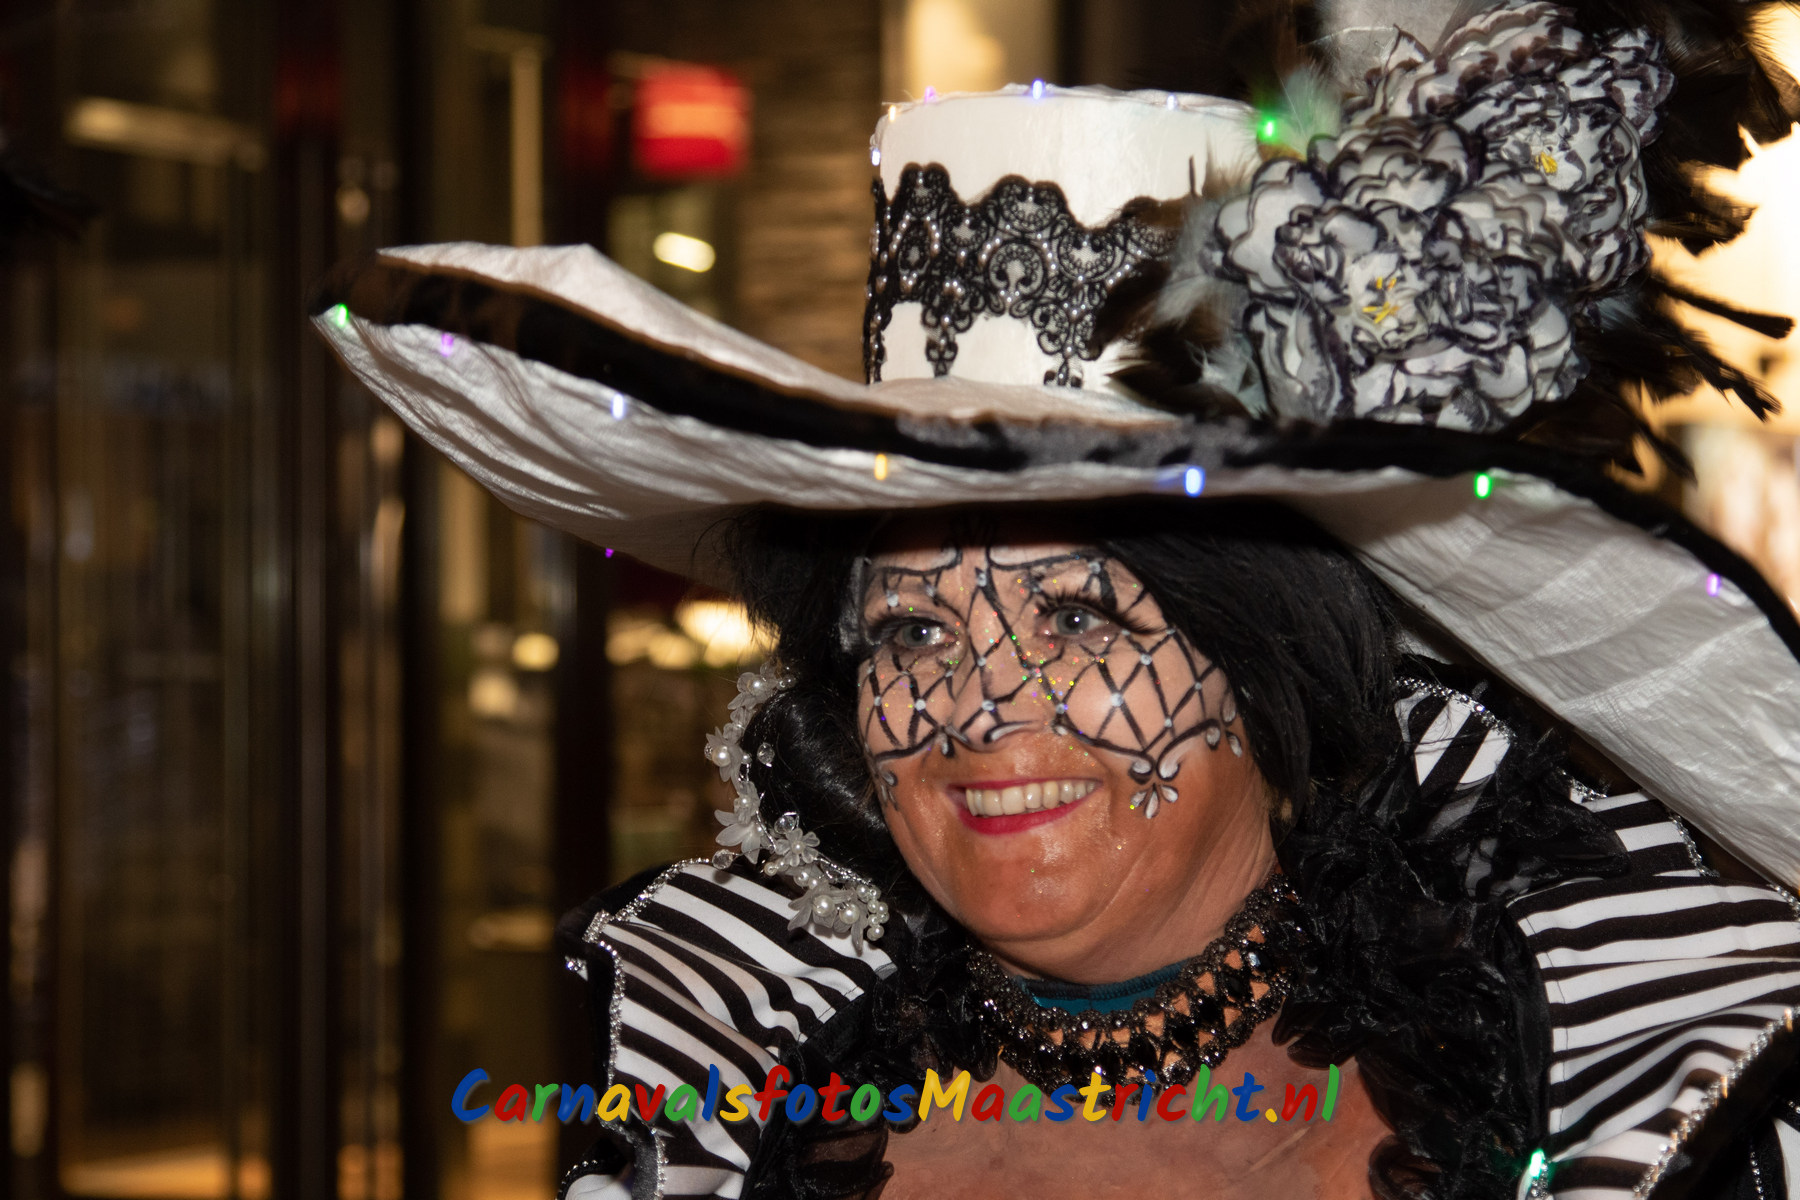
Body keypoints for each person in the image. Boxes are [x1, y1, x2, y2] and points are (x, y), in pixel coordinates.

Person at [313, 1, 1800, 1195]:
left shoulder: (1610, 1100)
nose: (977, 712)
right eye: (910, 631)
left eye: (1081, 620)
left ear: (1265, 667)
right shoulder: (725, 1095)